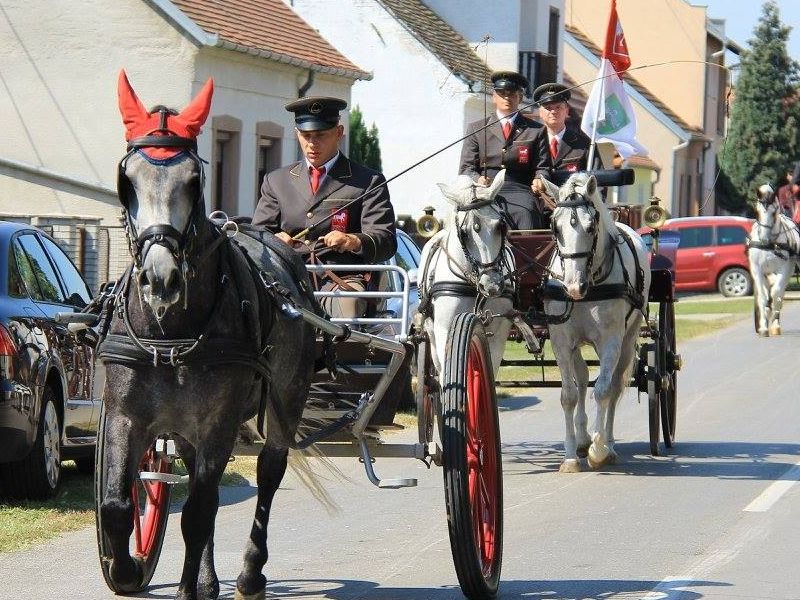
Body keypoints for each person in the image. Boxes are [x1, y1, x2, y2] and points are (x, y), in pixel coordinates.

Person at [253, 96, 396, 319]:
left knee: (348, 304)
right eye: (306, 135)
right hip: (287, 278)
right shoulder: (276, 181)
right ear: (296, 133)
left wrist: (353, 241)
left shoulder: (368, 181)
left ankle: (343, 353)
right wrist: (274, 240)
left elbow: (386, 240)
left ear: (339, 133)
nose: (312, 143)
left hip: (341, 280)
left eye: (320, 135)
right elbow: (257, 235)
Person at [459, 70, 545, 229]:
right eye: (502, 93)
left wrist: (540, 178)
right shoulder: (477, 129)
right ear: (494, 96)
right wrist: (478, 179)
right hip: (485, 190)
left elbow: (542, 166)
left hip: (519, 189)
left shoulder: (536, 130)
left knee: (527, 212)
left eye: (512, 94)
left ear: (520, 97)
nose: (507, 98)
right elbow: (466, 168)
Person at [531, 82, 602, 218]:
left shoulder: (584, 144)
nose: (553, 111)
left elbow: (598, 180)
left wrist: (593, 210)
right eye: (547, 107)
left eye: (558, 107)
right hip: (536, 209)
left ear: (567, 110)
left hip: (574, 211)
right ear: (540, 112)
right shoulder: (530, 142)